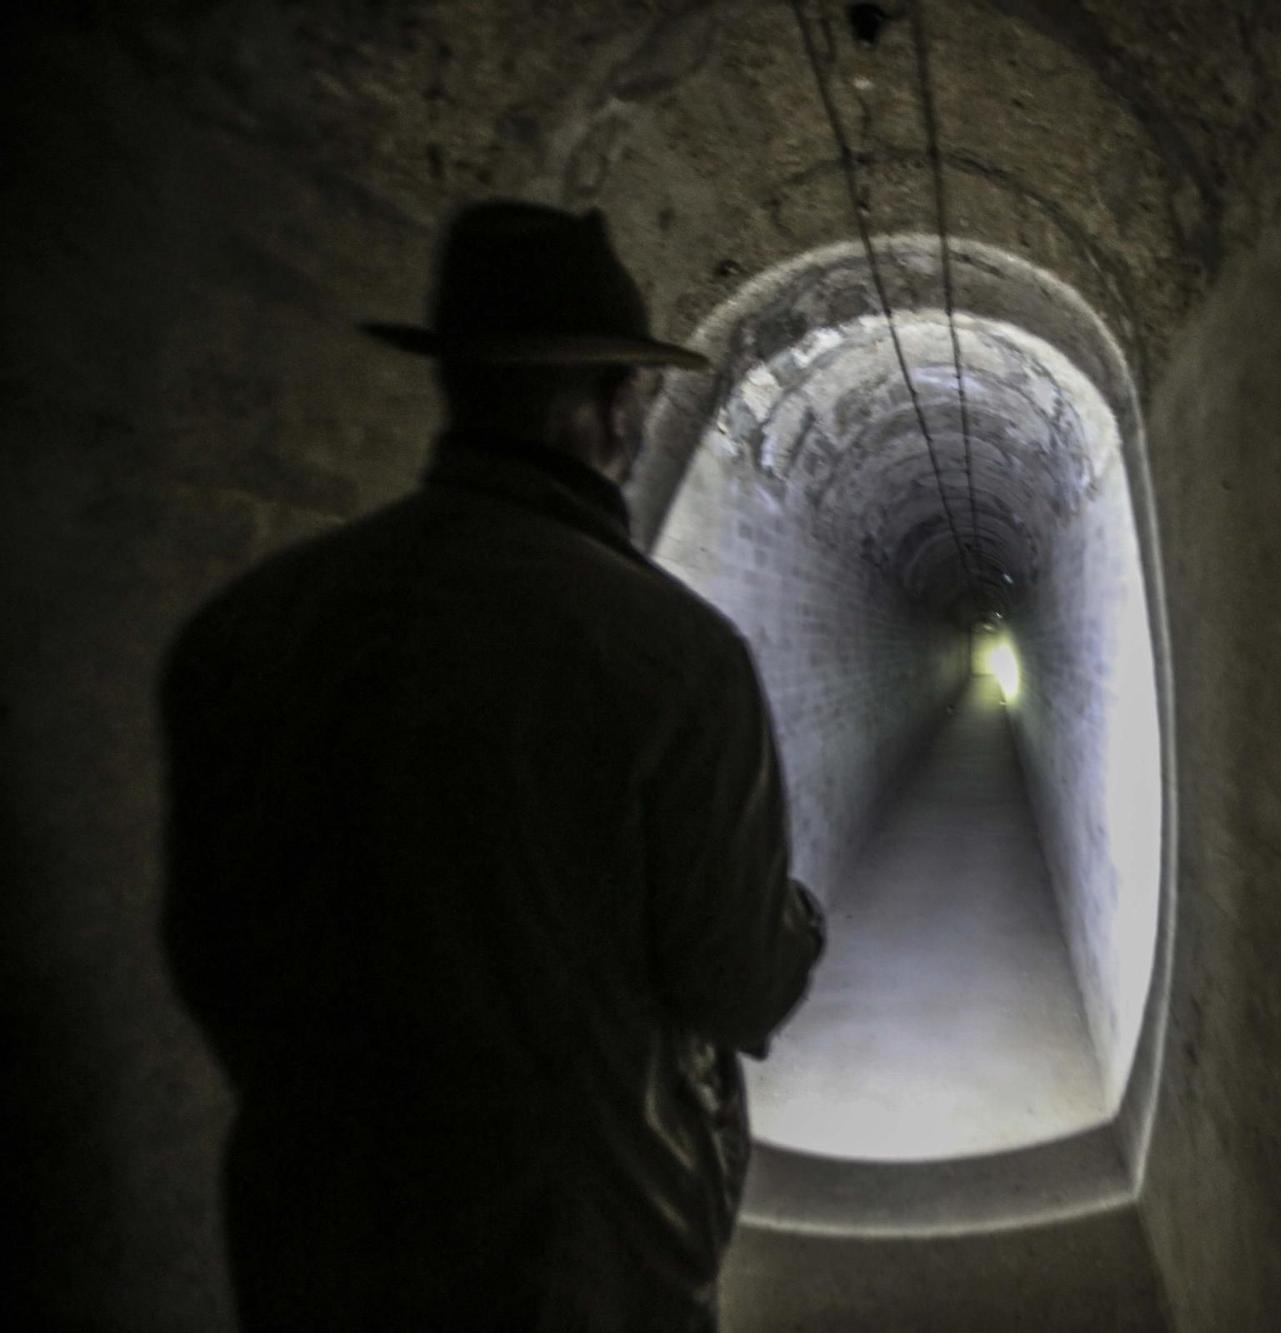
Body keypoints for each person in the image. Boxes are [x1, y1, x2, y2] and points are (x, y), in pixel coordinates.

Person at [159, 201, 825, 1332]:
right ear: (617, 407)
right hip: (578, 1258)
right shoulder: (673, 657)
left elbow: (211, 955)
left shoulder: (245, 626)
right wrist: (794, 914)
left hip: (315, 1238)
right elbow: (739, 981)